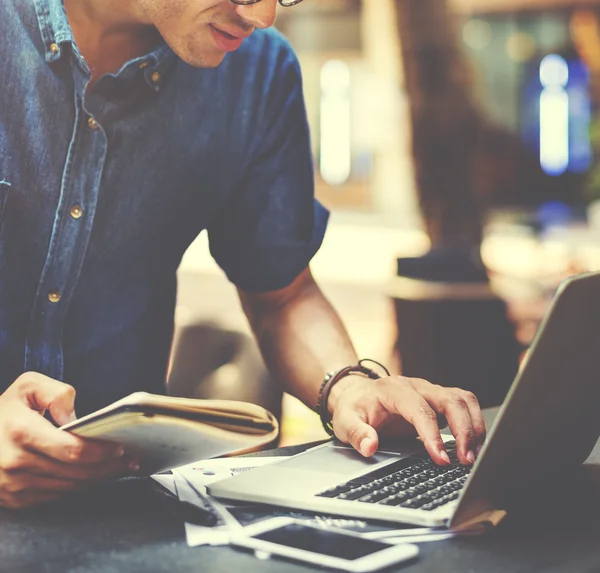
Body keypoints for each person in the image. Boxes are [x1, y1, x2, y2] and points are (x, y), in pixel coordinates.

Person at [0, 0, 486, 510]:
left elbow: (283, 295)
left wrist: (348, 387)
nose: (263, 16)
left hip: (122, 512)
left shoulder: (257, 74)